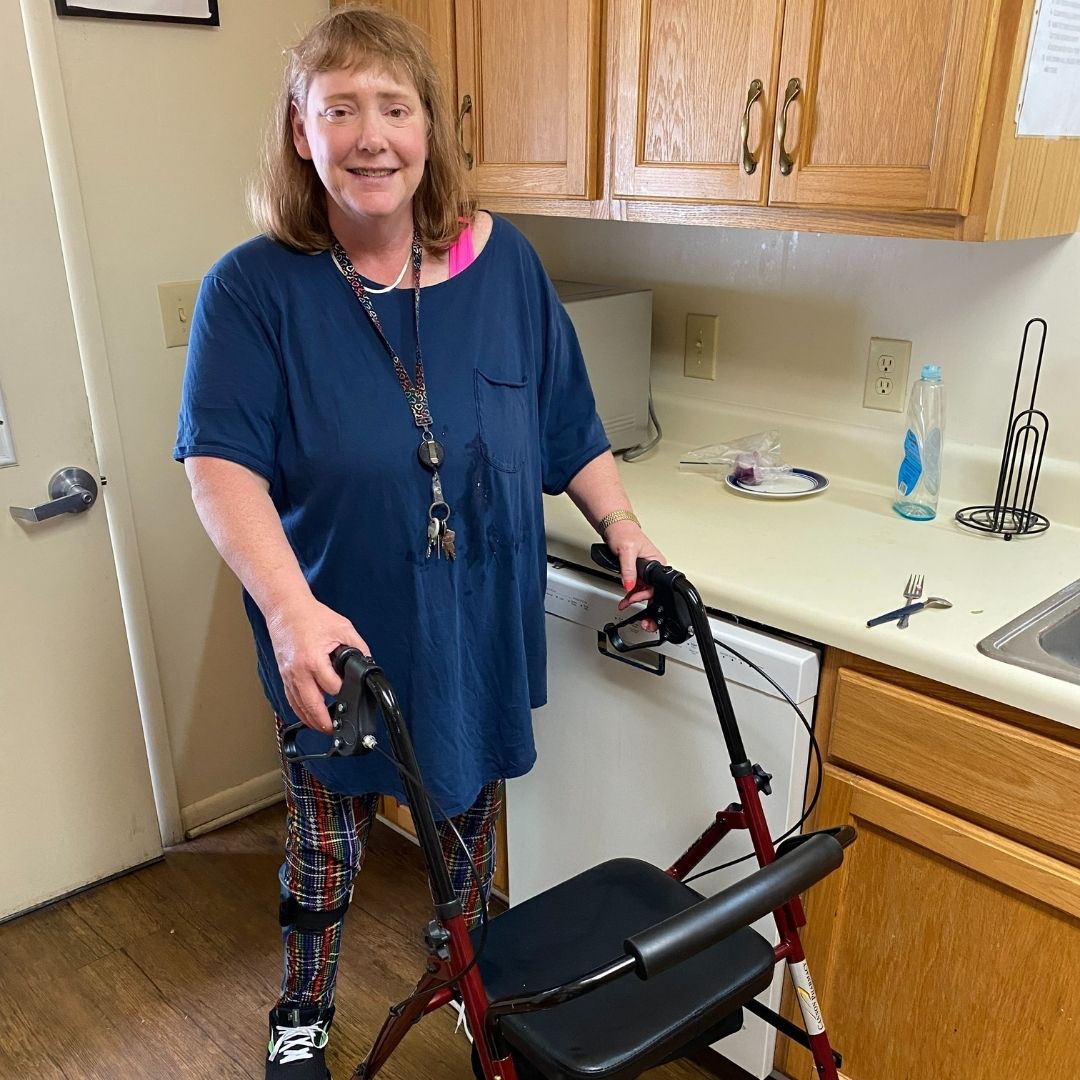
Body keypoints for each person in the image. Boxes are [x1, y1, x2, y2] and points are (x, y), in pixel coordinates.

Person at [174, 6, 664, 1078]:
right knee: (327, 851)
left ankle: (461, 972)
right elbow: (219, 467)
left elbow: (569, 420)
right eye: (338, 109)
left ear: (429, 128)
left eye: (394, 108)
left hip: (477, 620)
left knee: (465, 827)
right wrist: (291, 613)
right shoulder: (252, 291)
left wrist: (622, 527)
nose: (371, 136)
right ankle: (302, 1008)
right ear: (301, 133)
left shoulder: (506, 265)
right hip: (338, 638)